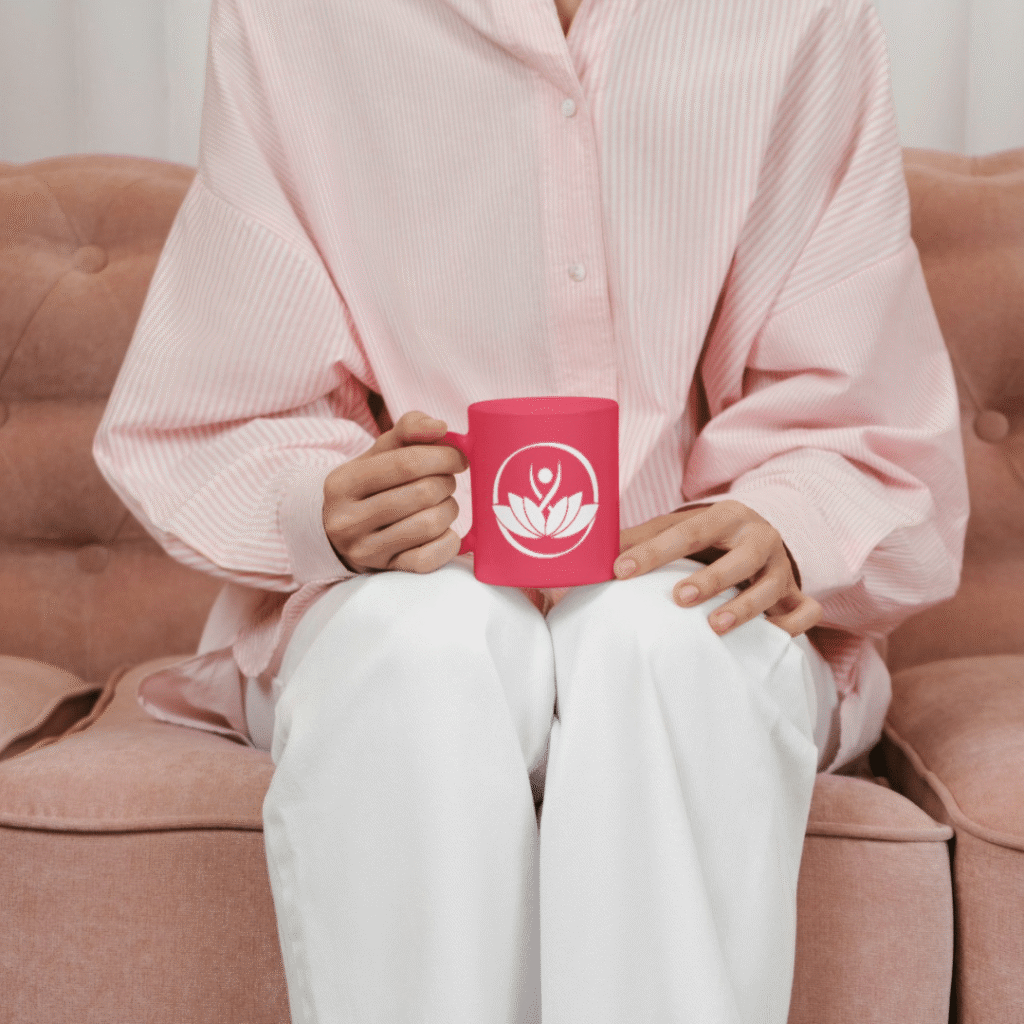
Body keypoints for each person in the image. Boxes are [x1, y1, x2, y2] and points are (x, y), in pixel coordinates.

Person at [92, 0, 969, 1020]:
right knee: (415, 643)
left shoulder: (797, 19)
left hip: (688, 602)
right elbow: (221, 396)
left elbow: (860, 401)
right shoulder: (295, 20)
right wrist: (325, 507)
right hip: (406, 591)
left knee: (667, 640)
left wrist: (782, 520)